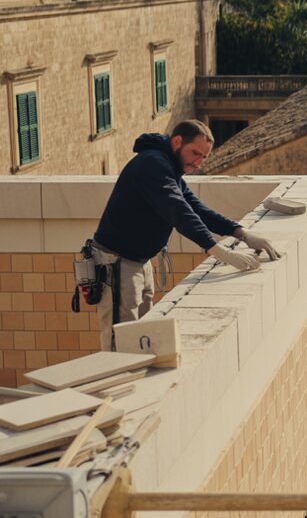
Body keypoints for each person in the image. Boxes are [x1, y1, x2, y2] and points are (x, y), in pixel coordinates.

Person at [90, 120, 279, 350]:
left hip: (138, 262)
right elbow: (178, 211)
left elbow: (195, 208)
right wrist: (220, 252)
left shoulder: (169, 166)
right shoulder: (152, 164)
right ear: (177, 142)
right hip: (117, 263)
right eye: (195, 153)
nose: (198, 163)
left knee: (140, 338)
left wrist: (241, 233)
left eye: (204, 157)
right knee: (120, 343)